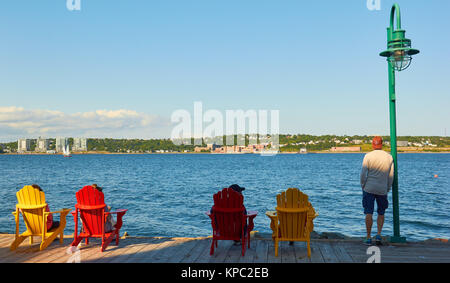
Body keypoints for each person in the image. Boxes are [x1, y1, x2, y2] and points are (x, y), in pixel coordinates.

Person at [360, 136, 394, 246]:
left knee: (368, 212)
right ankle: (379, 235)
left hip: (369, 188)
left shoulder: (368, 156)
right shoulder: (389, 157)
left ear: (372, 145)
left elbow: (363, 174)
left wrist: (363, 185)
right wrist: (387, 188)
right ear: (382, 144)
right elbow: (391, 176)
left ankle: (368, 237)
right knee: (381, 212)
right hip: (382, 189)